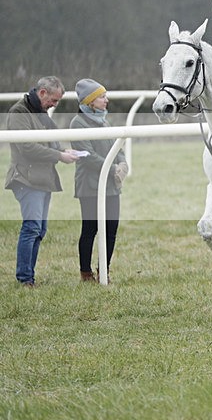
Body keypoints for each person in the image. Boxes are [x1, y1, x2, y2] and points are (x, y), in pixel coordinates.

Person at [4, 76, 80, 287]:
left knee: (39, 230)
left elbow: (51, 142)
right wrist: (59, 156)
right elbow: (27, 147)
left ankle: (28, 275)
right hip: (26, 178)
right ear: (43, 93)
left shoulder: (39, 111)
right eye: (53, 100)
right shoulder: (18, 113)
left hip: (41, 178)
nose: (54, 105)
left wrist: (64, 151)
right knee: (31, 228)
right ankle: (25, 279)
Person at [70, 79, 128, 283]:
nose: (107, 100)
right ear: (91, 101)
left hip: (110, 186)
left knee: (111, 229)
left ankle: (104, 270)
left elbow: (116, 149)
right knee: (90, 229)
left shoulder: (104, 120)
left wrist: (122, 164)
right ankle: (85, 273)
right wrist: (113, 168)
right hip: (89, 186)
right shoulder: (77, 123)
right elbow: (87, 155)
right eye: (102, 96)